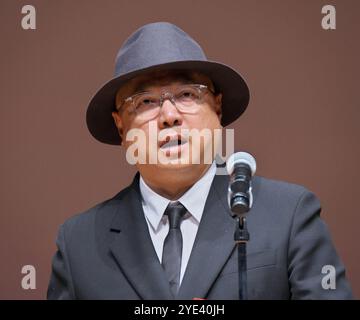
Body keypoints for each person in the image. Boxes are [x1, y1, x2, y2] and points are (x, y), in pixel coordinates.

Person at [47, 22, 353, 299]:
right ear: (121, 126)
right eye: (146, 102)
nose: (169, 116)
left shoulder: (289, 215)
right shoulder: (79, 244)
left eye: (187, 95)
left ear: (217, 109)